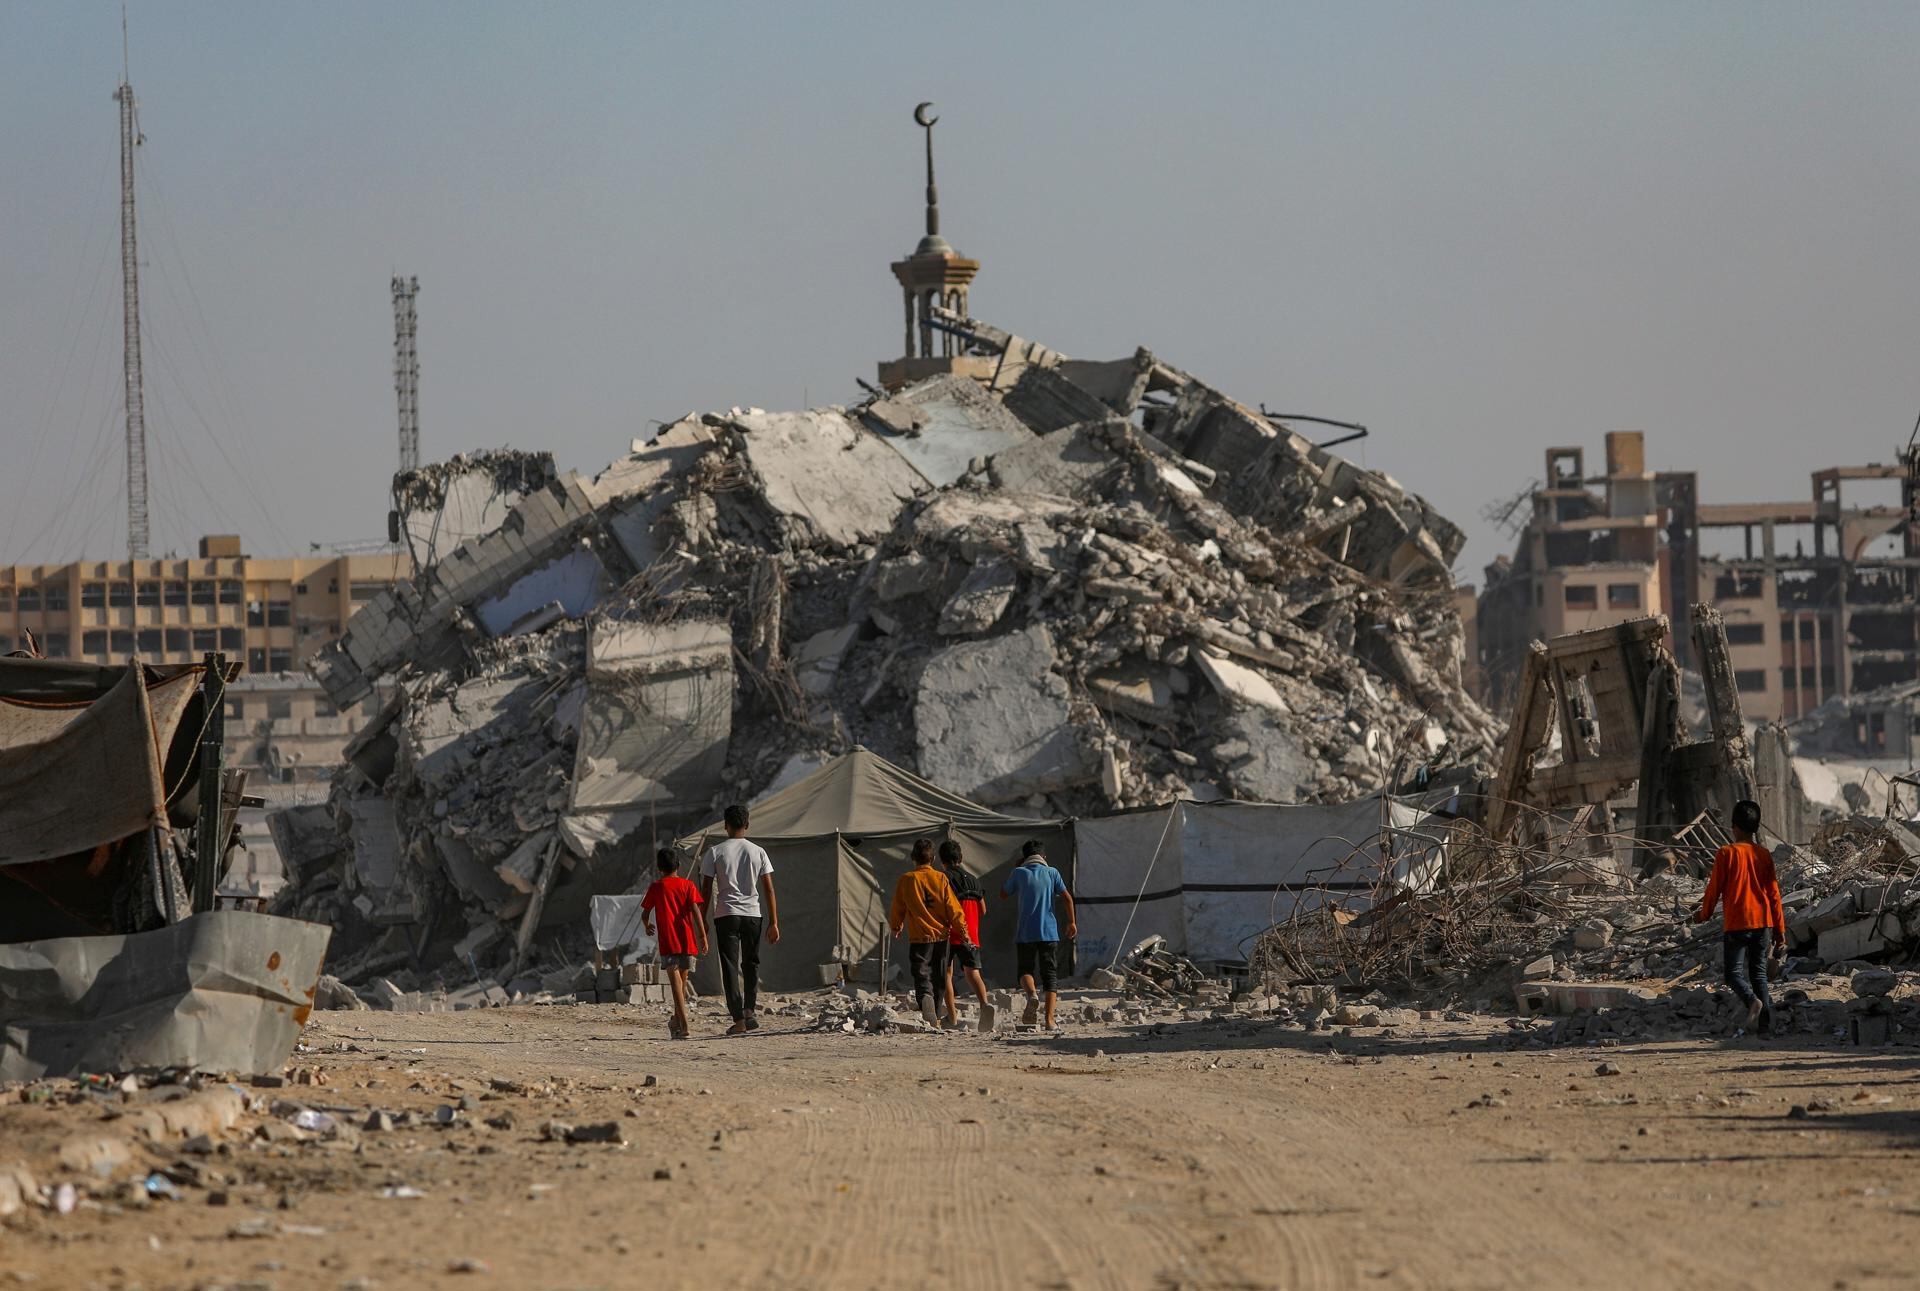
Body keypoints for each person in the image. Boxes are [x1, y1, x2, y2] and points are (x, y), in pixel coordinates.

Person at [1695, 799, 1787, 1036]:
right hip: (1763, 923)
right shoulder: (1764, 855)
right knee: (1759, 973)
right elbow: (1774, 895)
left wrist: (1703, 915)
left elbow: (1713, 890)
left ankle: (1751, 1002)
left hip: (1738, 922)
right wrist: (1780, 933)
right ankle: (1765, 1027)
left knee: (1733, 974)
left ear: (1734, 827)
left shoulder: (1726, 853)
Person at [700, 804, 780, 1036]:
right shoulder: (758, 852)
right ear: (746, 825)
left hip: (725, 914)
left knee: (730, 967)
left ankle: (738, 1018)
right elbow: (769, 890)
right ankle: (749, 1011)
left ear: (725, 825)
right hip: (753, 914)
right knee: (751, 963)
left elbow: (705, 890)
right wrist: (774, 922)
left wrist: (702, 920)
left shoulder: (714, 852)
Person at [889, 838, 970, 1029]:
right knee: (940, 975)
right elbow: (952, 906)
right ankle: (935, 1008)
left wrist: (896, 926)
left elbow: (898, 906)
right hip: (942, 936)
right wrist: (962, 930)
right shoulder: (941, 878)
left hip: (919, 936)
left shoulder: (907, 879)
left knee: (921, 971)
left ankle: (925, 997)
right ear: (933, 858)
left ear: (913, 858)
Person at [1000, 839, 1074, 1030]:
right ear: (1044, 857)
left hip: (1025, 933)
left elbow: (1003, 894)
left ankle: (1032, 994)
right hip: (1049, 933)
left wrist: (1015, 871)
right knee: (1050, 975)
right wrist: (1072, 922)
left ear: (1024, 858)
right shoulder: (1052, 872)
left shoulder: (1019, 873)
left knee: (1025, 970)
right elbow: (1066, 898)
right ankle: (1049, 1021)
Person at [640, 848, 707, 1039]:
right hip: (687, 941)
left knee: (676, 984)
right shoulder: (688, 886)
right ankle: (676, 1021)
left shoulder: (656, 887)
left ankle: (684, 1025)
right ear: (678, 865)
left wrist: (647, 926)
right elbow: (696, 912)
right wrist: (702, 936)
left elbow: (644, 914)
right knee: (682, 984)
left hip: (669, 942)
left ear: (659, 868)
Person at [939, 840, 992, 1031]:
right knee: (973, 972)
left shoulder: (942, 878)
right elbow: (983, 910)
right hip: (971, 935)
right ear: (960, 858)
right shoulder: (974, 880)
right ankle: (985, 1005)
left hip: (949, 933)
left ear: (941, 860)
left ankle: (952, 1017)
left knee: (946, 974)